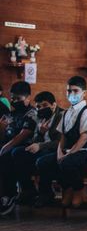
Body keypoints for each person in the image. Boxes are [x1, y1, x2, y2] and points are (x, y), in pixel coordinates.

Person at [36, 76, 87, 208]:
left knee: (67, 162)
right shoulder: (66, 113)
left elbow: (83, 138)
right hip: (67, 150)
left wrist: (68, 155)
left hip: (84, 151)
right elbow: (63, 136)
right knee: (44, 162)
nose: (71, 94)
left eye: (75, 91)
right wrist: (59, 153)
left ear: (84, 93)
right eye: (69, 91)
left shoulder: (86, 113)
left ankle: (78, 189)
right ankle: (65, 187)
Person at [10, 91, 63, 207]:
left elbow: (60, 142)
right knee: (17, 152)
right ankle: (28, 189)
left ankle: (46, 193)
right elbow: (34, 139)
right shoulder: (40, 116)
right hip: (41, 149)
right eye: (38, 106)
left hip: (56, 151)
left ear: (53, 105)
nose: (41, 108)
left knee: (42, 160)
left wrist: (40, 146)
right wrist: (40, 133)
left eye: (45, 105)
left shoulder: (61, 116)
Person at [0, 81, 37, 213]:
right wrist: (2, 129)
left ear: (27, 98)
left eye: (18, 98)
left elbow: (24, 134)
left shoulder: (32, 113)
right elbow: (5, 135)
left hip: (27, 148)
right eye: (12, 98)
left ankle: (9, 195)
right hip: (10, 147)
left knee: (9, 154)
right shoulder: (11, 114)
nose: (14, 101)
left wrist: (5, 148)